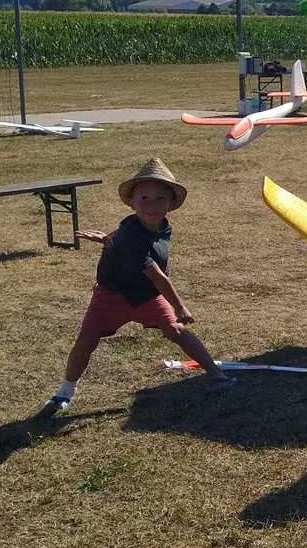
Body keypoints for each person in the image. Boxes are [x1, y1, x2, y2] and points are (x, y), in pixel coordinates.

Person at [46, 158, 231, 416]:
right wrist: (180, 306)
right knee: (86, 341)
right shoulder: (132, 233)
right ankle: (65, 392)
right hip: (111, 295)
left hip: (146, 297)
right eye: (144, 198)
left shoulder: (159, 226)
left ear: (171, 204)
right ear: (132, 202)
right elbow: (157, 277)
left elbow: (121, 234)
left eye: (160, 199)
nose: (152, 205)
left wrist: (105, 238)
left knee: (176, 331)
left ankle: (216, 374)